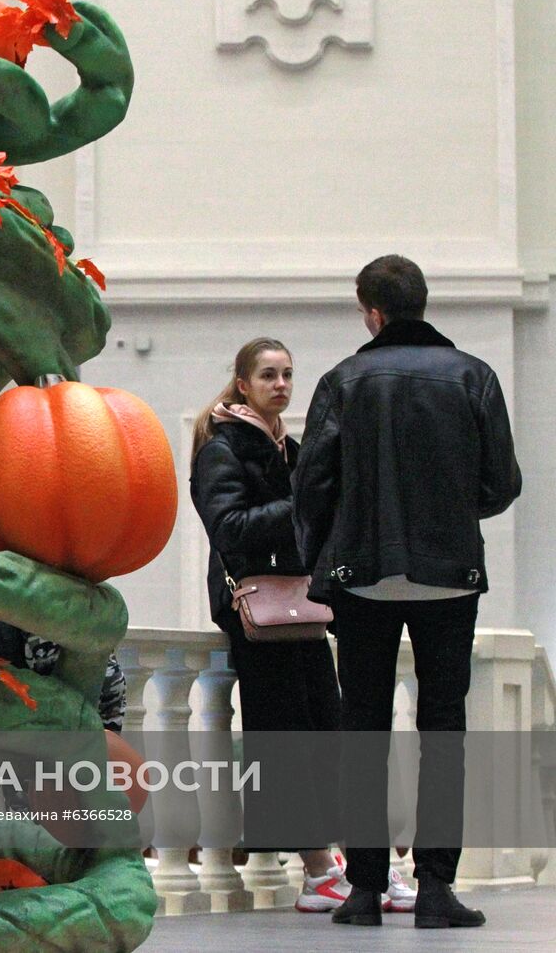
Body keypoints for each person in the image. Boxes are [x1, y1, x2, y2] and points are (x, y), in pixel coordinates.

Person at [293, 255, 521, 929]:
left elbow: (313, 484)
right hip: (450, 577)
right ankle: (436, 890)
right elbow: (502, 483)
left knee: (362, 731)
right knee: (443, 732)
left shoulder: (343, 381)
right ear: (421, 304)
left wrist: (324, 559)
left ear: (372, 311)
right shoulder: (474, 376)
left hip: (362, 577)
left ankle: (363, 891)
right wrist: (453, 514)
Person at [190, 337, 370, 913]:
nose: (282, 385)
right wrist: (302, 503)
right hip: (258, 611)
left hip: (301, 606)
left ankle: (332, 862)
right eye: (268, 375)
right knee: (283, 737)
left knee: (324, 731)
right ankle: (317, 870)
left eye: (288, 374)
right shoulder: (222, 449)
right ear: (243, 383)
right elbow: (231, 529)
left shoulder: (288, 448)